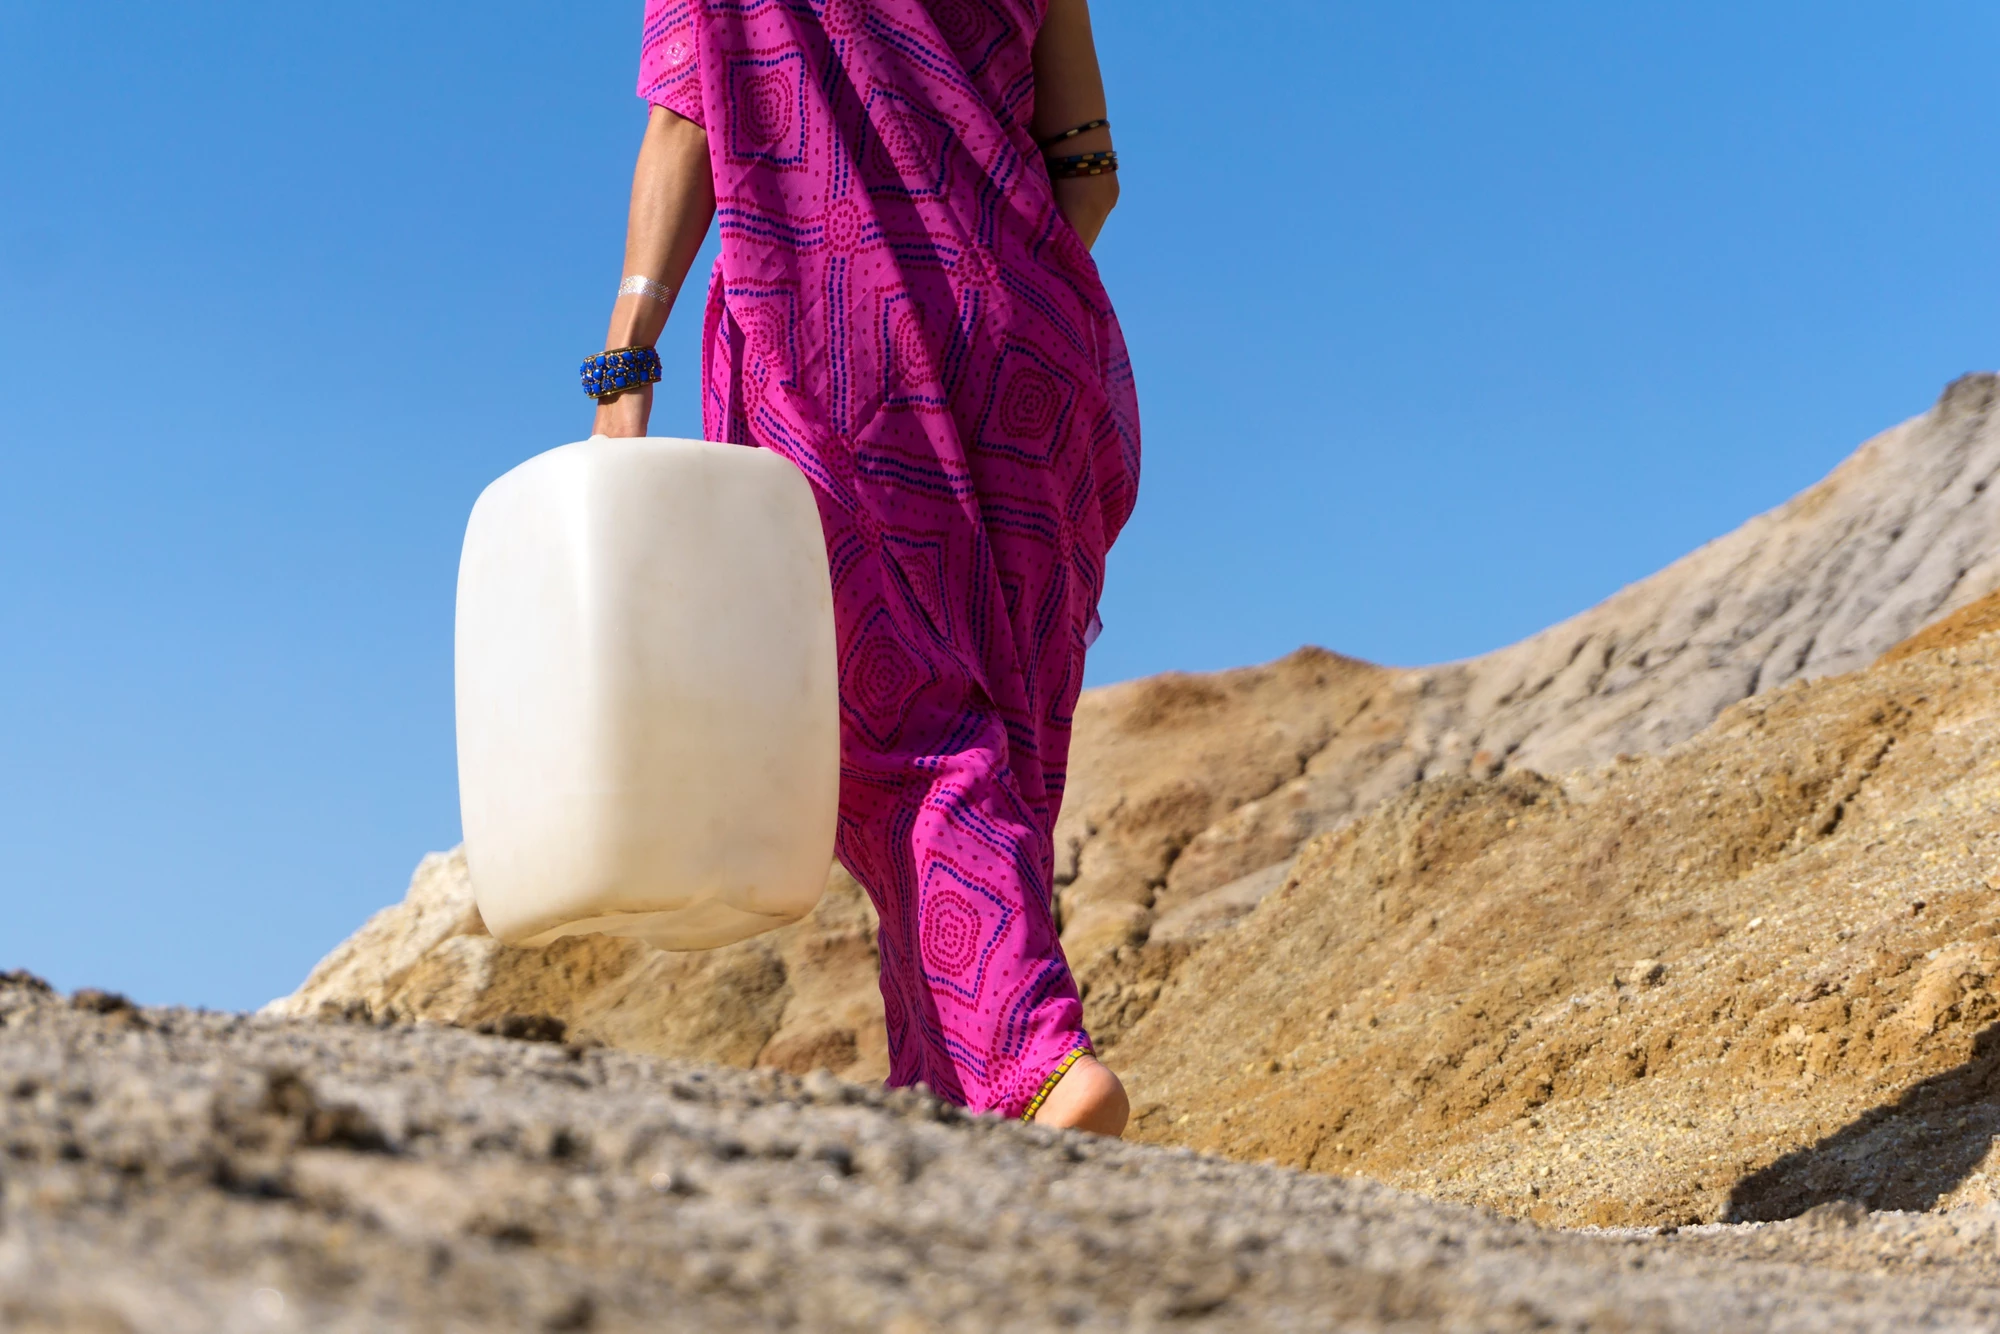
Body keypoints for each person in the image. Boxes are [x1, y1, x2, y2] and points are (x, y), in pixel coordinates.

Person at [588, 0, 1139, 1135]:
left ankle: (1035, 1061)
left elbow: (687, 123)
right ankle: (948, 1092)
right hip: (1033, 342)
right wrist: (974, 276)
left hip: (835, 337)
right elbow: (1088, 168)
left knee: (891, 738)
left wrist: (626, 356)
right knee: (1004, 736)